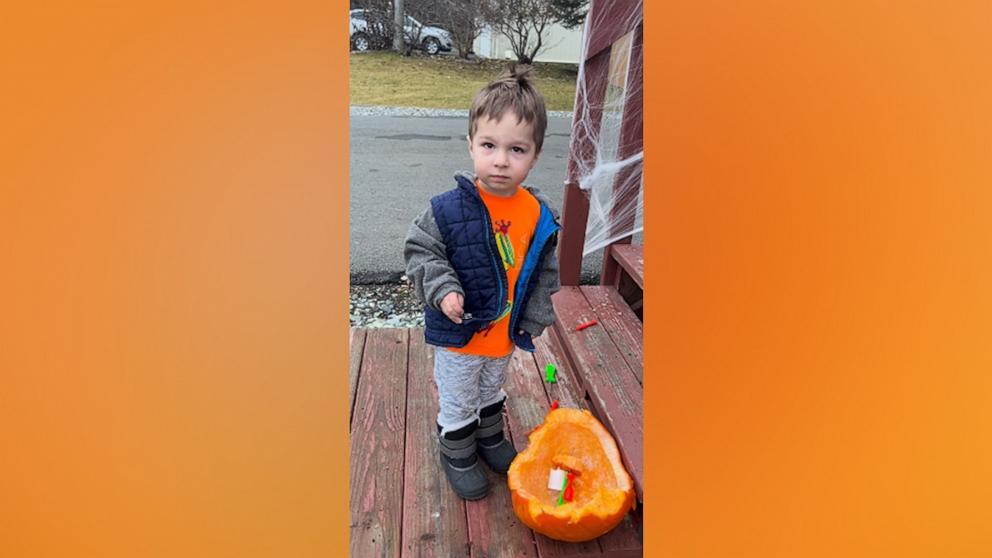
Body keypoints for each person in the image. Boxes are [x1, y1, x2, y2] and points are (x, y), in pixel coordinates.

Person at [404, 65, 561, 500]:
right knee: (458, 396)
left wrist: (534, 317)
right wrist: (442, 289)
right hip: (460, 335)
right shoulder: (448, 209)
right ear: (471, 144)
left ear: (535, 155)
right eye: (489, 145)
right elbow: (421, 251)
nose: (501, 160)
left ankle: (489, 437)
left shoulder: (537, 213)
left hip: (504, 335)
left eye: (517, 149)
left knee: (492, 387)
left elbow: (546, 271)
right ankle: (456, 450)